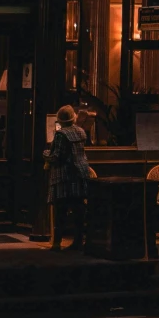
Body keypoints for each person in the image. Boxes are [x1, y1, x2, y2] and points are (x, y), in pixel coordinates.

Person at [46, 106, 95, 250]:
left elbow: (57, 157)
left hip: (64, 176)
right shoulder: (80, 131)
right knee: (78, 210)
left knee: (60, 210)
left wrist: (45, 155)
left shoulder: (61, 134)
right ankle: (79, 241)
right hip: (80, 174)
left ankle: (57, 243)